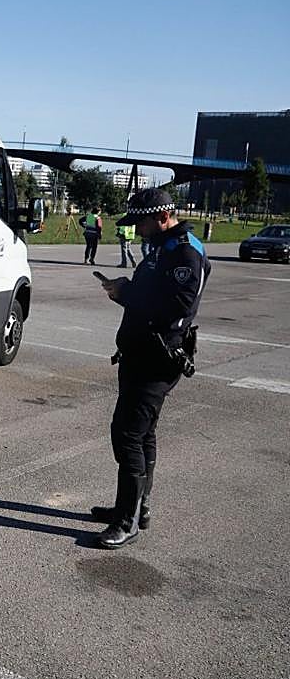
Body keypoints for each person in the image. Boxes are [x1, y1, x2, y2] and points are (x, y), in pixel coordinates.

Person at [92, 188, 210, 549]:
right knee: (142, 434)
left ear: (163, 217)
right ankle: (137, 507)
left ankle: (126, 521)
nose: (138, 229)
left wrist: (125, 293)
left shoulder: (185, 253)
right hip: (139, 352)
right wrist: (124, 291)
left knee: (127, 434)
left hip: (156, 359)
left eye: (142, 222)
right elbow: (152, 293)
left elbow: (175, 307)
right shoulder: (165, 247)